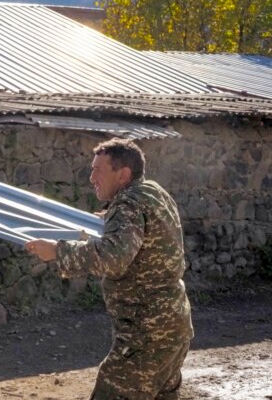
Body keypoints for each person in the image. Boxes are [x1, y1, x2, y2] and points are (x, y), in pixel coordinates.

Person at [25, 138, 193, 400]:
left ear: (123, 174)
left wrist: (58, 251)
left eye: (98, 170)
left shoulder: (128, 204)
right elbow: (146, 235)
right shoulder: (153, 193)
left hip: (146, 334)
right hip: (173, 326)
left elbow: (114, 257)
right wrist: (107, 220)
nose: (92, 178)